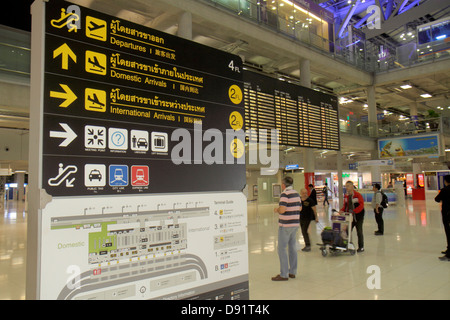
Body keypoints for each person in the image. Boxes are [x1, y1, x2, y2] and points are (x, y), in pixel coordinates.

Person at [272, 177, 301, 281]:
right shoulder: (296, 193)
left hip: (285, 225)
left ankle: (284, 274)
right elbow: (300, 208)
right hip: (295, 224)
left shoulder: (285, 194)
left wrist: (277, 210)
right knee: (292, 247)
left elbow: (282, 210)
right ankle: (292, 272)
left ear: (283, 185)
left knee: (282, 248)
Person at [340, 180, 365, 252]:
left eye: (348, 186)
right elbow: (345, 206)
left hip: (358, 216)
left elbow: (361, 205)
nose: (346, 187)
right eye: (345, 186)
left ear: (352, 186)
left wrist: (354, 211)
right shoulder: (346, 196)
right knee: (347, 231)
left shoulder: (357, 195)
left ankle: (361, 247)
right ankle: (348, 245)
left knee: (359, 231)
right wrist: (342, 210)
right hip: (350, 216)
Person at [435, 175, 450, 261]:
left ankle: (449, 253)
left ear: (446, 181)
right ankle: (449, 249)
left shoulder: (444, 190)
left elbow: (437, 199)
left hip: (447, 214)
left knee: (448, 232)